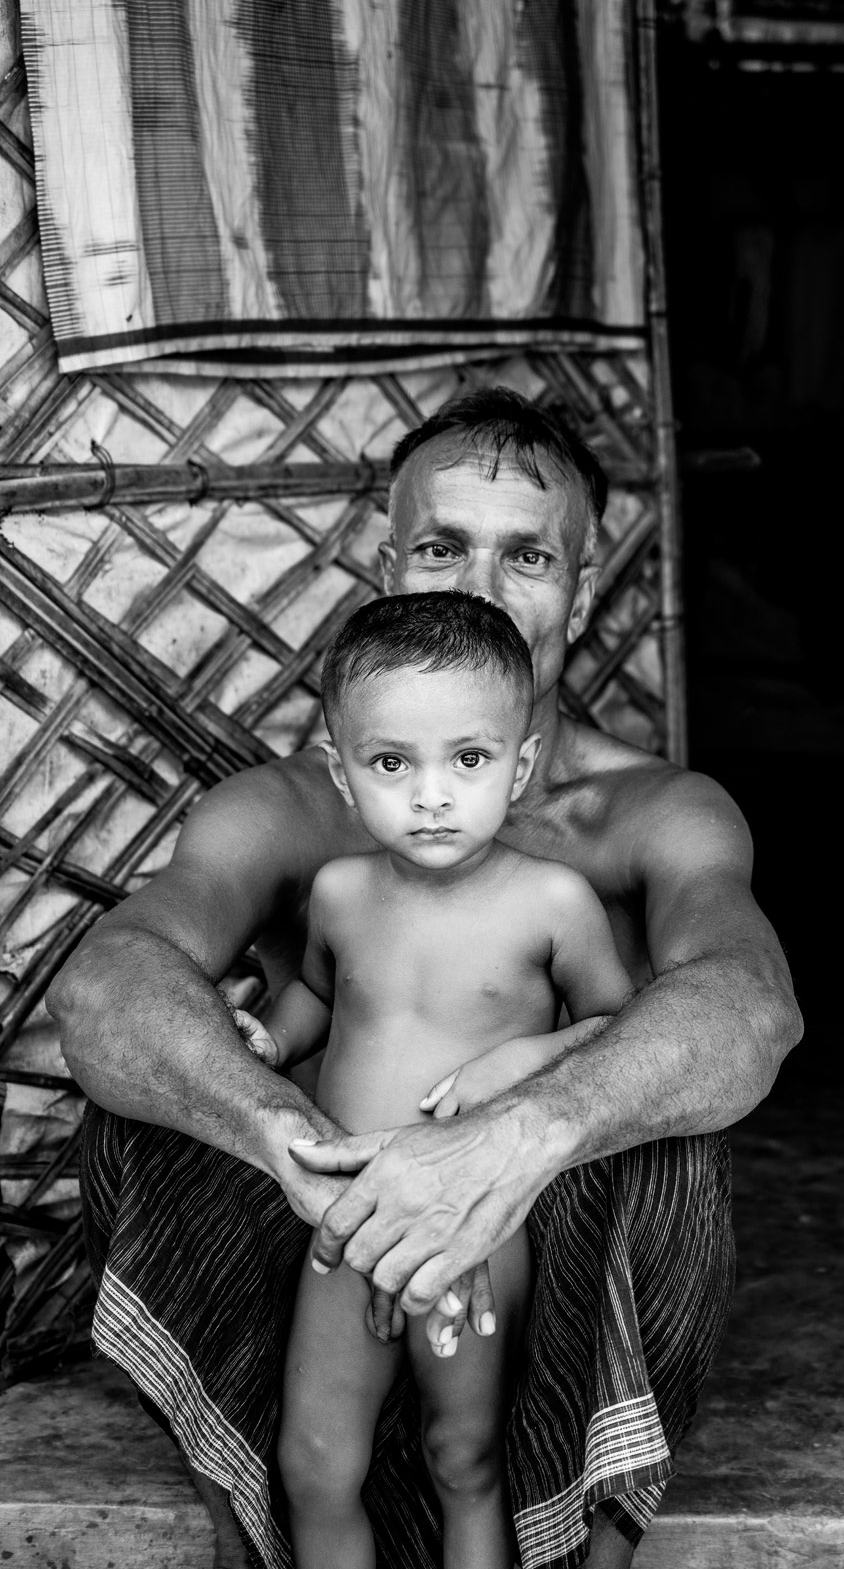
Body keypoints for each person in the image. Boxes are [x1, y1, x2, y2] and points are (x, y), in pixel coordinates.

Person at [49, 386, 803, 1569]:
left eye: (529, 556)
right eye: (444, 545)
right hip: (317, 1244)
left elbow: (749, 1009)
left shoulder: (646, 813)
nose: (478, 589)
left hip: (528, 1268)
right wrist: (291, 1139)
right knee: (145, 1102)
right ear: (386, 561)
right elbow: (105, 993)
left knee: (672, 1138)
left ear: (584, 591)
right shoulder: (293, 811)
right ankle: (251, 1531)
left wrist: (513, 1137)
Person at [238, 589, 632, 1569]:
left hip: (471, 1235)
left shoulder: (550, 902)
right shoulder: (338, 895)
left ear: (520, 764)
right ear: (340, 770)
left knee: (463, 1455)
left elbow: (621, 1023)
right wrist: (263, 1039)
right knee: (316, 1459)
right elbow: (322, 1004)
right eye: (389, 762)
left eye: (467, 759)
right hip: (344, 1223)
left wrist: (516, 1058)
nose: (430, 794)